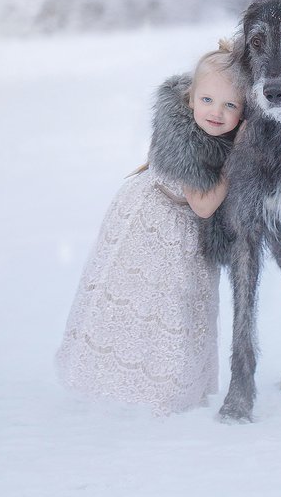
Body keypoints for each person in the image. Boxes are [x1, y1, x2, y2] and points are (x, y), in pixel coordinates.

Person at [55, 44, 244, 415]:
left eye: (230, 106)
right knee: (154, 301)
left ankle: (174, 382)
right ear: (190, 99)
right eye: (207, 100)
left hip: (179, 225)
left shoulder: (216, 131)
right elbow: (204, 206)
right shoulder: (185, 138)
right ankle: (141, 387)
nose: (216, 113)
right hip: (155, 221)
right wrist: (241, 155)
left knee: (184, 304)